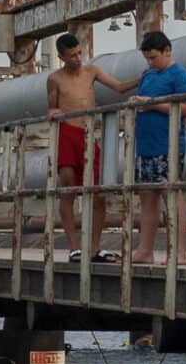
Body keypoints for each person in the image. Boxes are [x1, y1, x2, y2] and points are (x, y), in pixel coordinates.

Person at [45, 29, 133, 258]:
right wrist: (53, 112)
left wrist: (145, 77)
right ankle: (74, 247)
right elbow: (52, 107)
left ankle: (94, 247)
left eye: (79, 53)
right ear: (62, 57)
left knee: (98, 192)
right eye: (72, 55)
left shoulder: (91, 71)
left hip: (87, 135)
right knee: (68, 187)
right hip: (67, 132)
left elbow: (119, 87)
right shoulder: (55, 79)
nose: (77, 58)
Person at [127, 31, 186, 266]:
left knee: (171, 195)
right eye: (147, 58)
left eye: (154, 57)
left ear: (167, 51)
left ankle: (179, 253)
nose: (150, 62)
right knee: (147, 198)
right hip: (145, 146)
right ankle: (145, 250)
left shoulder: (179, 74)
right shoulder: (148, 75)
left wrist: (153, 104)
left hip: (167, 145)